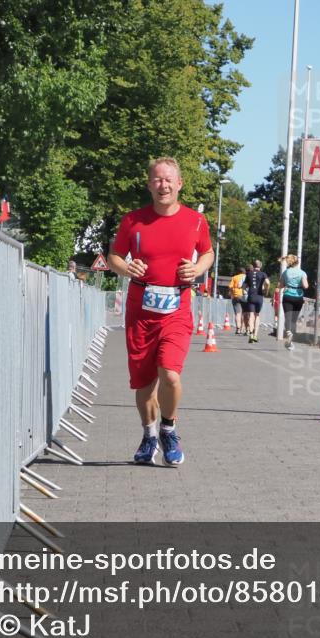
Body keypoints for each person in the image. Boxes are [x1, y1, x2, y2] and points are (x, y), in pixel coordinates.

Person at [108, 158, 214, 467]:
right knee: (143, 384)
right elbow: (114, 256)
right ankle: (149, 435)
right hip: (141, 313)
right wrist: (126, 268)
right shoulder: (133, 221)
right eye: (157, 180)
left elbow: (207, 252)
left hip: (176, 309)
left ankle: (168, 429)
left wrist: (197, 268)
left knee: (170, 374)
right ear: (149, 185)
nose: (163, 185)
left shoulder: (196, 221)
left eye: (168, 180)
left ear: (179, 184)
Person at [278, 254, 309, 350]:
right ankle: (290, 340)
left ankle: (288, 333)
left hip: (288, 296)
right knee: (294, 320)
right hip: (298, 297)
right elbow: (305, 286)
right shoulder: (302, 273)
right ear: (297, 262)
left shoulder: (285, 272)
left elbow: (281, 285)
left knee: (288, 317)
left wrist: (286, 284)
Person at [241, 259, 270, 343]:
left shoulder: (249, 274)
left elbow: (243, 287)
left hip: (251, 296)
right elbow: (267, 283)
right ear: (260, 266)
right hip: (259, 296)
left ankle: (250, 334)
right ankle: (255, 335)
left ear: (253, 266)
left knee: (251, 315)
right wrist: (266, 291)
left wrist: (245, 291)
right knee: (257, 315)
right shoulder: (263, 274)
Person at [229, 267, 246, 334]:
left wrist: (232, 294)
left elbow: (230, 287)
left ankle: (238, 329)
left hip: (236, 296)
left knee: (237, 313)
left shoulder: (234, 277)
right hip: (244, 296)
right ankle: (242, 328)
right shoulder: (246, 277)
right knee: (244, 313)